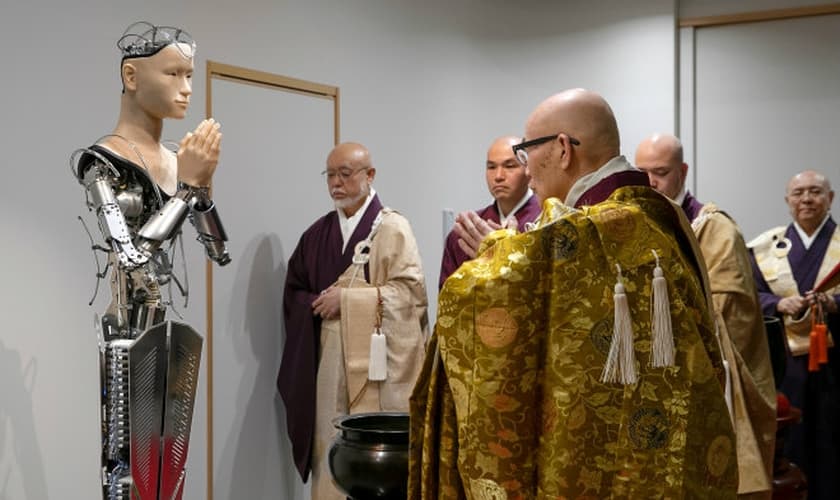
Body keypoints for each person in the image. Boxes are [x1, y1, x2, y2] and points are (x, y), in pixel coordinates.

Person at [409, 89, 738, 498]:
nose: (526, 172)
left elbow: (495, 295)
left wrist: (497, 258)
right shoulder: (655, 214)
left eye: (527, 152)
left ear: (563, 149)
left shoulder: (594, 229)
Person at [71, 21, 230, 500]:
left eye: (189, 75)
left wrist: (197, 191)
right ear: (133, 76)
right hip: (124, 333)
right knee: (125, 473)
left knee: (169, 469)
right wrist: (188, 189)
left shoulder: (178, 156)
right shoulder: (100, 161)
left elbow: (218, 250)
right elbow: (133, 255)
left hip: (167, 329)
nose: (185, 89)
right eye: (173, 74)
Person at [277, 142, 429, 499]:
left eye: (345, 174)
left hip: (379, 369)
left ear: (369, 175)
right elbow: (295, 291)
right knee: (332, 448)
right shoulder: (317, 234)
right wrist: (315, 303)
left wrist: (347, 300)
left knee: (375, 457)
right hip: (330, 361)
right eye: (330, 175)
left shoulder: (393, 228)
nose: (336, 183)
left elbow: (411, 296)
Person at [635, 132, 776, 499]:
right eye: (641, 172)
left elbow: (728, 311)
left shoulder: (713, 227)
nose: (650, 182)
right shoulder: (632, 223)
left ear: (682, 171)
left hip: (706, 374)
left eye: (660, 172)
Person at [748, 169, 840, 499]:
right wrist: (778, 302)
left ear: (830, 199)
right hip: (786, 362)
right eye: (798, 193)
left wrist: (833, 302)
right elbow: (748, 294)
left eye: (815, 192)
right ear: (788, 201)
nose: (806, 199)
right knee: (790, 439)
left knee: (832, 438)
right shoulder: (765, 248)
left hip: (834, 360)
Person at [438, 135, 541, 289]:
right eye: (491, 167)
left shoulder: (545, 221)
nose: (498, 176)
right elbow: (448, 296)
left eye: (510, 166)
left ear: (528, 169)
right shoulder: (465, 232)